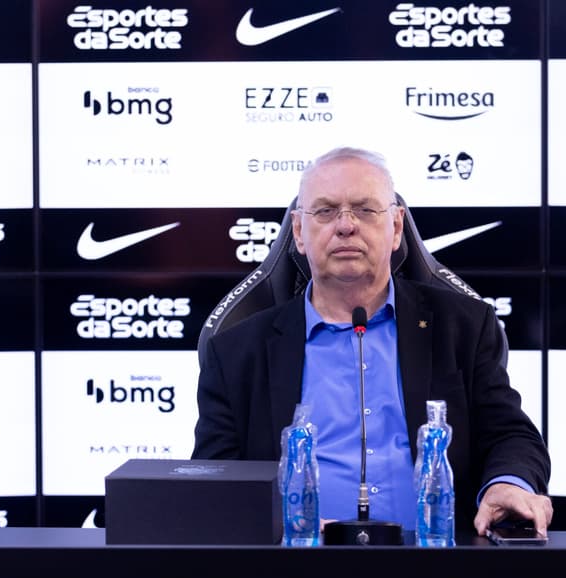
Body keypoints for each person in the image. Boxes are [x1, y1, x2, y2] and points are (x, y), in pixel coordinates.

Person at [193, 147, 552, 536]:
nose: (346, 226)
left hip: (437, 568)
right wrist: (283, 527)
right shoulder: (235, 351)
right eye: (325, 211)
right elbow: (216, 483)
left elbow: (511, 436)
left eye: (365, 210)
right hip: (293, 570)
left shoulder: (462, 327)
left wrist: (507, 483)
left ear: (396, 227)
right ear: (298, 231)